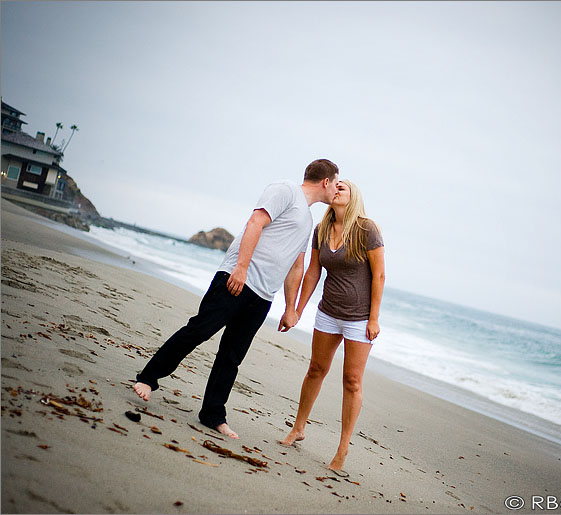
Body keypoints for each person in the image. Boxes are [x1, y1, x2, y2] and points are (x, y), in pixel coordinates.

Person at [132, 159, 340, 439]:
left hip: (263, 296)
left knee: (232, 356)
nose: (337, 189)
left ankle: (213, 414)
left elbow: (295, 266)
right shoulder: (286, 190)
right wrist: (240, 268)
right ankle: (148, 378)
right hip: (237, 279)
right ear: (325, 181)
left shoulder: (308, 220)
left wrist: (291, 309)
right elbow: (255, 222)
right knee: (199, 331)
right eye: (336, 183)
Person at [280, 180, 385, 475]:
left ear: (353, 197)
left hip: (360, 319)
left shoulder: (367, 229)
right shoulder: (321, 229)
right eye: (334, 186)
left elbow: (379, 277)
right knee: (316, 370)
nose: (336, 190)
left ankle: (343, 448)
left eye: (343, 187)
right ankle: (298, 428)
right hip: (328, 312)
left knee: (352, 381)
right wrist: (297, 309)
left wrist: (374, 318)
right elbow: (313, 271)